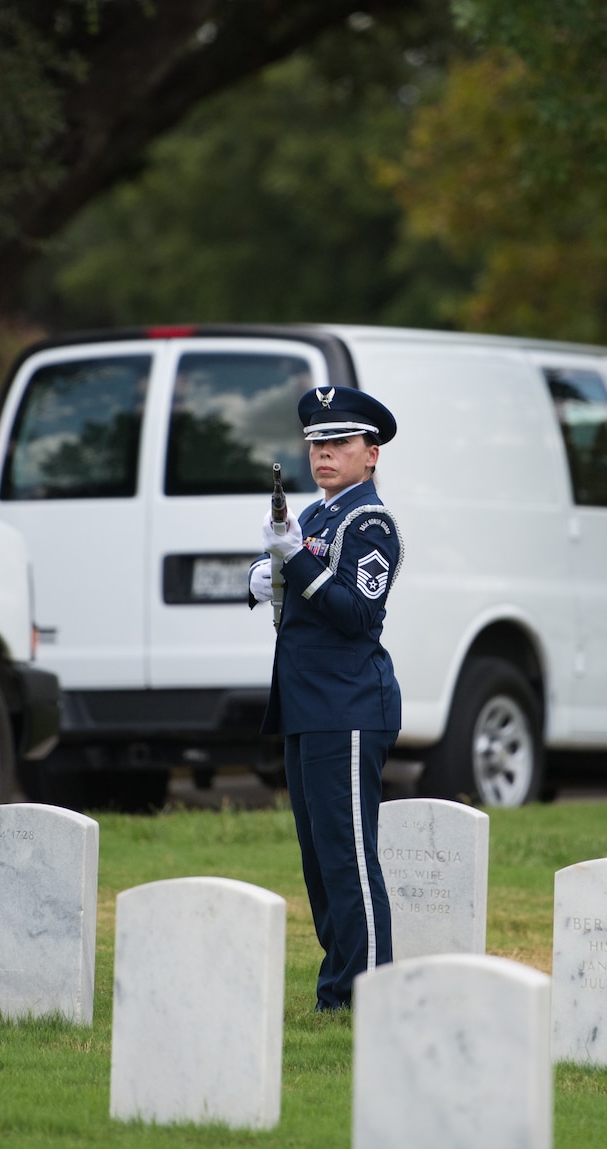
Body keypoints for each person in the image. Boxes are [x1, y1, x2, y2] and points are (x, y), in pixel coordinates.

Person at [248, 385, 403, 1010]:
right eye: (316, 443)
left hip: (348, 705)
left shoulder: (370, 522)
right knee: (318, 858)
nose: (324, 454)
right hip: (309, 704)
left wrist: (295, 565)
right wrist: (259, 576)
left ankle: (365, 989)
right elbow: (291, 584)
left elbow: (359, 613)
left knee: (348, 855)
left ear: (371, 454)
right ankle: (336, 987)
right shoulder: (313, 517)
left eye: (339, 443)